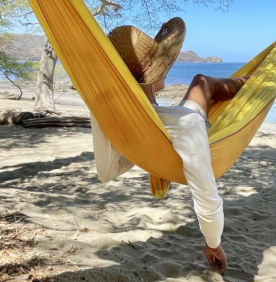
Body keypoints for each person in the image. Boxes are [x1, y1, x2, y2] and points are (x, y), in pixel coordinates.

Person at [91, 17, 250, 273]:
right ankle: (251, 82)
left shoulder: (106, 107)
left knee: (200, 81)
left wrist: (140, 151)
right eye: (164, 64)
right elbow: (206, 192)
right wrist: (213, 243)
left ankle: (249, 79)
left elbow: (106, 172)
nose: (168, 68)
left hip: (163, 127)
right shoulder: (186, 123)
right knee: (203, 82)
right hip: (190, 131)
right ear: (154, 71)